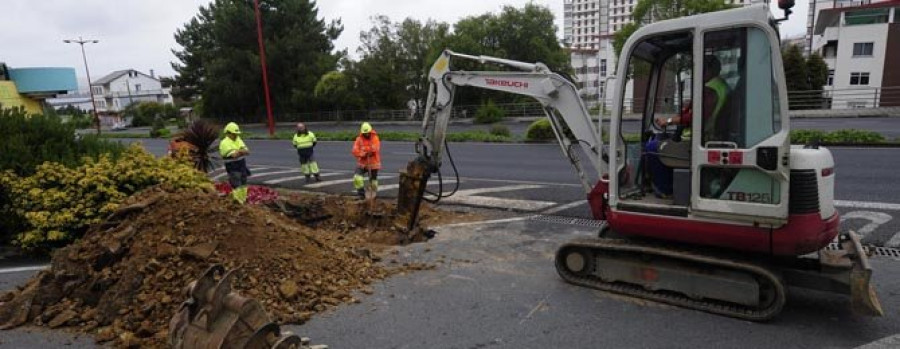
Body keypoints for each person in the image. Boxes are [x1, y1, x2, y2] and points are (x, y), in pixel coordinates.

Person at [654, 55, 730, 140]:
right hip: (701, 135)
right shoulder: (721, 85)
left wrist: (668, 121)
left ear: (708, 70)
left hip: (698, 138)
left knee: (652, 145)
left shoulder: (709, 90)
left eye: (701, 69)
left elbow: (696, 117)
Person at [219, 122, 251, 204]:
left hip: (242, 166)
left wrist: (239, 151)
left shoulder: (238, 139)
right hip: (233, 168)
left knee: (243, 184)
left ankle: (243, 201)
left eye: (236, 133)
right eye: (234, 134)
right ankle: (239, 203)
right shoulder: (224, 143)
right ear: (228, 133)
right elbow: (234, 155)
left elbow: (247, 151)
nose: (236, 135)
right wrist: (241, 151)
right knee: (237, 185)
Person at [351, 122, 381, 199]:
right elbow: (354, 150)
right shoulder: (359, 139)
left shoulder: (375, 138)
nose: (367, 134)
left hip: (373, 163)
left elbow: (375, 148)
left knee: (373, 181)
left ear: (370, 131)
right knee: (357, 178)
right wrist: (363, 153)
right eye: (365, 133)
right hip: (362, 163)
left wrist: (366, 150)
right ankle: (361, 194)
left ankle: (372, 195)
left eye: (368, 133)